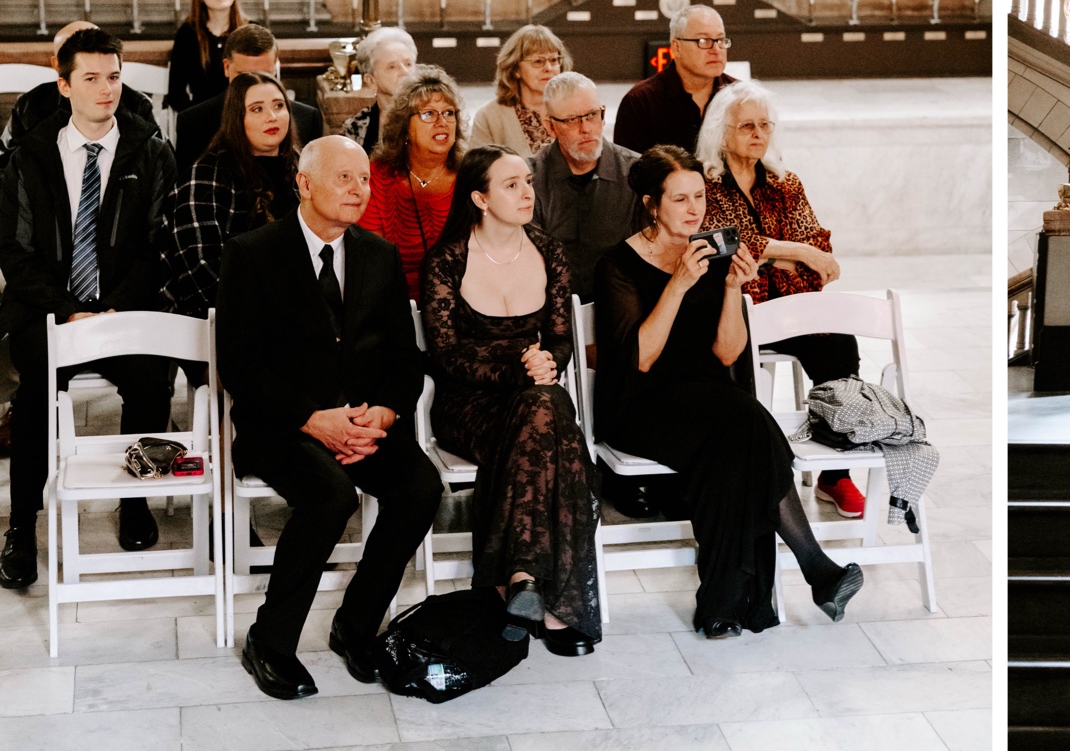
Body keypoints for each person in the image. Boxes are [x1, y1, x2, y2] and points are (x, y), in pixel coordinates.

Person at [594, 146, 863, 638]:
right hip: (641, 404)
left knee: (735, 444)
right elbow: (641, 360)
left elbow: (726, 353)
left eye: (699, 196)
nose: (695, 209)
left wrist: (730, 290)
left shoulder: (712, 254)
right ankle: (814, 566)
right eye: (680, 199)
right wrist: (677, 285)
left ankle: (722, 607)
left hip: (712, 403)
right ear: (652, 205)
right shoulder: (618, 264)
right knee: (744, 419)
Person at [217, 136, 442, 699]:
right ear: (305, 182)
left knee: (420, 488)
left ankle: (356, 624)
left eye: (364, 179)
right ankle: (270, 640)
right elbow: (239, 366)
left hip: (364, 422)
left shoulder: (378, 254)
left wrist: (385, 414)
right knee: (330, 496)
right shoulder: (252, 252)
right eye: (345, 178)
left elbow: (402, 357)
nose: (359, 190)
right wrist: (313, 420)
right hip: (283, 425)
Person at [0, 28, 177, 588]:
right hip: (48, 309)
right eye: (93, 78)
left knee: (152, 380)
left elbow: (158, 245)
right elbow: (15, 252)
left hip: (124, 308)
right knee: (34, 392)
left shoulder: (149, 151)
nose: (107, 89)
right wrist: (69, 310)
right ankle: (21, 527)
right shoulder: (30, 155)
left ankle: (133, 502)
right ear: (64, 84)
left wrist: (116, 310)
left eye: (115, 77)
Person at [421, 146, 600, 654]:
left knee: (543, 410)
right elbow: (445, 355)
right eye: (512, 185)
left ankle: (521, 580)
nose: (528, 193)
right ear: (479, 197)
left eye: (528, 181)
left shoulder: (549, 250)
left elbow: (561, 338)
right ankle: (561, 611)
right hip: (470, 404)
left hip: (535, 397)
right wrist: (518, 369)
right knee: (551, 423)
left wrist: (547, 363)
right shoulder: (448, 259)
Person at [697, 80, 863, 517]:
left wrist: (793, 255)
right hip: (731, 310)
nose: (758, 134)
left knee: (839, 343)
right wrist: (796, 253)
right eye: (747, 125)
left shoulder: (784, 183)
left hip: (789, 308)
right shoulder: (705, 182)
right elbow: (726, 243)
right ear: (721, 130)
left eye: (764, 125)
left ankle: (836, 472)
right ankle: (752, 469)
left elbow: (818, 247)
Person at [165, 72, 298, 318]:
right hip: (235, 318)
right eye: (257, 109)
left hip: (302, 311)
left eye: (279, 106)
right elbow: (200, 272)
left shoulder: (302, 168)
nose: (272, 117)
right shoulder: (205, 177)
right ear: (238, 118)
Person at [531, 72, 642, 304]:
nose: (586, 128)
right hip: (551, 312)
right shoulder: (530, 180)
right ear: (550, 127)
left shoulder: (637, 173)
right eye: (572, 120)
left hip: (623, 310)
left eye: (592, 115)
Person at [359, 67, 462, 303]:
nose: (442, 122)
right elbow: (371, 264)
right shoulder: (376, 178)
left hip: (464, 306)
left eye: (449, 113)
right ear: (405, 127)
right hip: (395, 304)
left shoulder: (471, 176)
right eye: (428, 114)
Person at [175, 24, 323, 177]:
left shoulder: (307, 118)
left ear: (276, 67)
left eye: (265, 75)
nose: (255, 83)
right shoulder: (194, 123)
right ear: (227, 67)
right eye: (244, 76)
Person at [5, 20, 159, 150]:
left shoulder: (137, 105)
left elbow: (160, 162)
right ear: (57, 64)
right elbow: (7, 164)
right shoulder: (29, 105)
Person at [613, 5, 733, 156]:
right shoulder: (640, 102)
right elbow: (626, 171)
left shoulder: (741, 97)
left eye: (721, 40)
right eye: (704, 41)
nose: (716, 50)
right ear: (677, 47)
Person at [467, 24, 570, 157]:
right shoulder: (489, 117)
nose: (548, 68)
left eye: (554, 60)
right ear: (515, 69)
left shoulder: (575, 109)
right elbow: (476, 172)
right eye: (538, 61)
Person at [166, 0, 243, 113]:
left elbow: (264, 84)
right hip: (202, 118)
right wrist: (195, 119)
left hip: (244, 117)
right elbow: (176, 93)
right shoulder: (188, 34)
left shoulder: (249, 30)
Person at [340, 27, 417, 156]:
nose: (405, 72)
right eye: (392, 67)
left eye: (408, 64)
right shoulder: (355, 128)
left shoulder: (434, 118)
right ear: (371, 81)